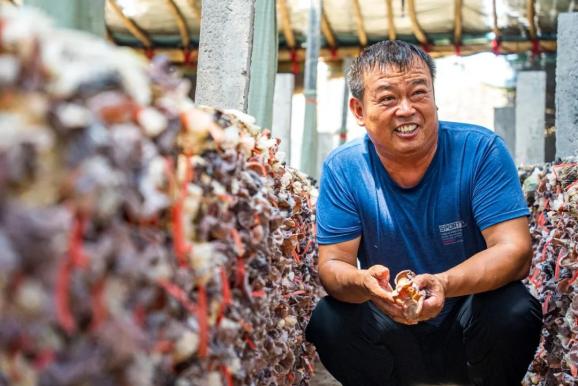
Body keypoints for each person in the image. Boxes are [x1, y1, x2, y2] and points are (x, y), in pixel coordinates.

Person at [305, 40, 543, 386]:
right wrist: (366, 284)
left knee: (515, 308)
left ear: (433, 97)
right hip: (395, 332)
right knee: (329, 319)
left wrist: (444, 284)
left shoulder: (480, 151)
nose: (406, 109)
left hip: (466, 324)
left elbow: (516, 251)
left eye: (419, 93)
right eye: (387, 98)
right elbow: (333, 265)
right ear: (358, 111)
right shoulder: (344, 168)